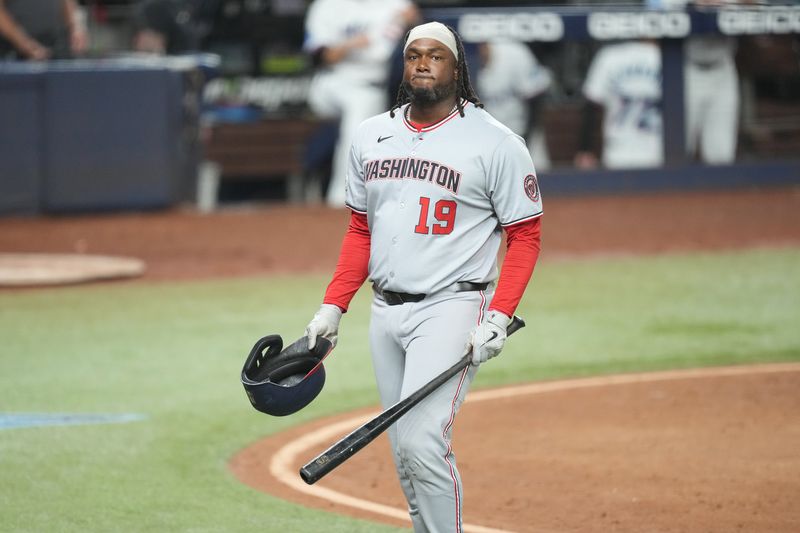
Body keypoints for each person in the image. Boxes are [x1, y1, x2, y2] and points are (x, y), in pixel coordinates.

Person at [303, 21, 543, 532]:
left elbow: (524, 236)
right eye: (414, 55)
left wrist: (498, 317)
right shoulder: (372, 135)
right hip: (384, 310)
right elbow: (359, 231)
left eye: (436, 55)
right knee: (403, 454)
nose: (423, 63)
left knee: (422, 441)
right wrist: (333, 305)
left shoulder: (495, 142)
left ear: (457, 69)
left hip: (452, 307)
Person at [302, 0, 420, 207]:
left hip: (369, 85)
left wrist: (410, 18)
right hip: (330, 84)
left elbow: (415, 19)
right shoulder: (326, 6)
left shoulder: (394, 4)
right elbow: (322, 55)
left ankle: (346, 196)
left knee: (362, 107)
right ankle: (341, 197)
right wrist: (351, 44)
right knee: (359, 114)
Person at [647, 0, 747, 164]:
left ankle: (717, 189)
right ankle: (675, 188)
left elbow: (756, 5)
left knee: (721, 152)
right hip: (685, 68)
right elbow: (659, 7)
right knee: (678, 148)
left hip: (723, 67)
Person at [574, 39, 663, 169]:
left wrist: (585, 148)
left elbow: (591, 107)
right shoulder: (663, 56)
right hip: (658, 151)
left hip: (618, 150)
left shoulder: (609, 56)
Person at [476, 39, 553, 171]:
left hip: (524, 133)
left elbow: (535, 99)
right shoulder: (473, 65)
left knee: (538, 181)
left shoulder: (515, 53)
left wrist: (527, 139)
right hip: (496, 141)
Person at [0, 0, 88, 60]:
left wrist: (75, 27)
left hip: (57, 46)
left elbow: (67, 2)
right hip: (14, 53)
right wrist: (24, 43)